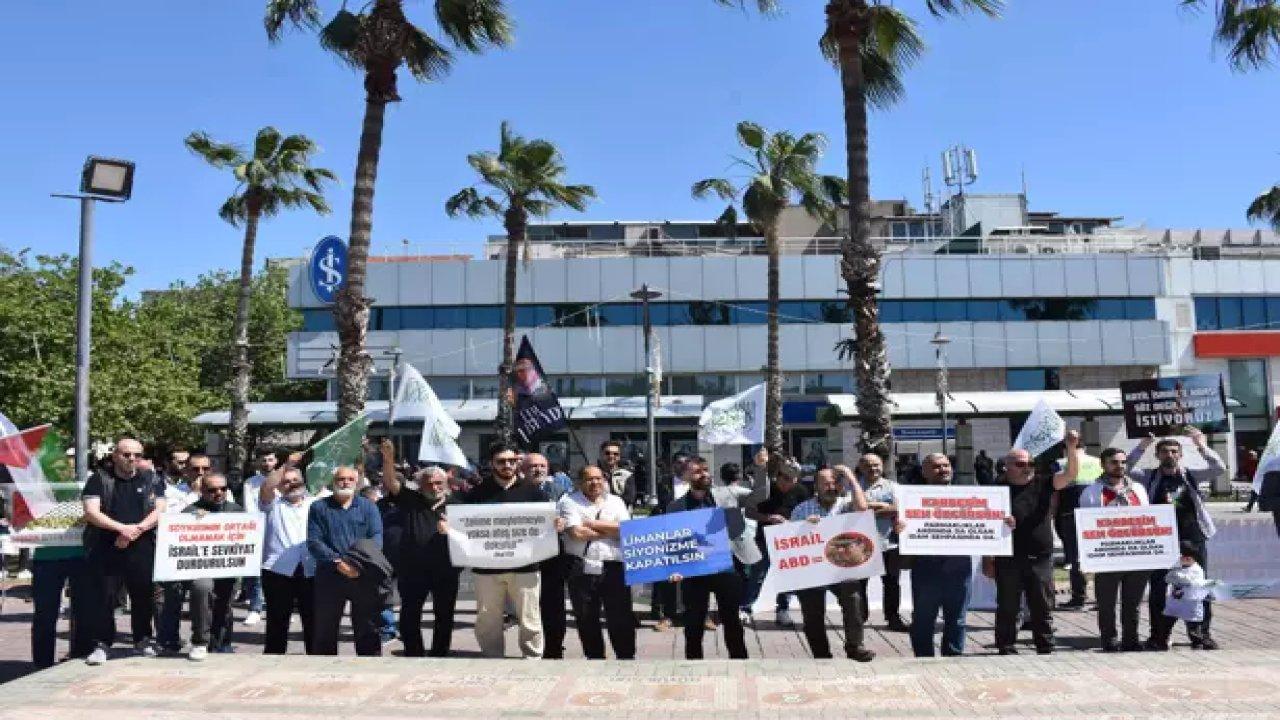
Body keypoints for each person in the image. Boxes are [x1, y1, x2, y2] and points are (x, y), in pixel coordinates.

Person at [452, 442, 562, 658]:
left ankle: (532, 659)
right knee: (487, 619)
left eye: (512, 461)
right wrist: (449, 526)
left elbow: (547, 525)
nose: (507, 465)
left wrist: (556, 524)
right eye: (501, 461)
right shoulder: (476, 494)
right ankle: (492, 658)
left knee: (530, 617)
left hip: (526, 568)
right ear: (491, 463)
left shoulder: (534, 494)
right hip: (487, 569)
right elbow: (462, 525)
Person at [1126, 429, 1223, 650]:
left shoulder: (1191, 475)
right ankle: (1159, 636)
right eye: (1164, 451)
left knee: (1197, 586)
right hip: (1161, 540)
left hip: (1192, 537)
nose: (1169, 455)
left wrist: (1201, 445)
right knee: (1159, 588)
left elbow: (1219, 468)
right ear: (1158, 455)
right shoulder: (1149, 476)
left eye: (1173, 451)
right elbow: (1127, 468)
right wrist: (1142, 446)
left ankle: (1200, 634)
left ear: (1180, 455)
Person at [665, 453, 768, 660]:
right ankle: (694, 666)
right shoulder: (675, 506)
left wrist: (761, 468)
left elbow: (760, 496)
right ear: (686, 477)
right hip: (695, 571)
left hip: (727, 566)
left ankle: (740, 664)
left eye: (705, 470)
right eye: (697, 471)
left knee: (732, 621)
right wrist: (674, 567)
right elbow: (673, 541)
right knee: (693, 624)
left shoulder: (729, 493)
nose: (704, 474)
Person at [988, 431, 1079, 655]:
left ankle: (1045, 645)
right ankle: (1006, 645)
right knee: (1008, 605)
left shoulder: (1044, 482)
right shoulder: (996, 488)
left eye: (1030, 463)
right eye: (1020, 464)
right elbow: (985, 522)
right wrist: (998, 527)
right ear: (1007, 467)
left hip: (1040, 556)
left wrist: (1071, 447)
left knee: (1042, 604)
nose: (1027, 467)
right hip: (1008, 556)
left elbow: (1070, 474)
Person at [81, 438, 168, 665]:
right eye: (126, 454)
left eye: (137, 455)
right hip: (106, 547)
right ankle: (102, 644)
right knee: (105, 597)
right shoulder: (99, 479)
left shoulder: (151, 478)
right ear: (115, 456)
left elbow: (160, 510)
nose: (132, 459)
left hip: (142, 546)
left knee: (143, 596)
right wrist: (122, 529)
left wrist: (136, 530)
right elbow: (91, 512)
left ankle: (143, 640)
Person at [379, 441, 459, 657]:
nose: (434, 487)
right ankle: (413, 652)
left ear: (446, 483)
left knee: (444, 614)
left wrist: (451, 531)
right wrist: (388, 459)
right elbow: (391, 482)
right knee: (409, 615)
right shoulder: (411, 500)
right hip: (413, 570)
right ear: (420, 485)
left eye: (439, 483)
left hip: (446, 569)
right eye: (429, 484)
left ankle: (440, 653)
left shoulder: (458, 504)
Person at [789, 466, 875, 661]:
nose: (832, 487)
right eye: (826, 484)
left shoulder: (847, 504)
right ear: (816, 487)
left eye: (836, 483)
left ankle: (855, 646)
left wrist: (851, 478)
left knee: (854, 600)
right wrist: (803, 528)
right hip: (812, 568)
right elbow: (789, 541)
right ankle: (822, 655)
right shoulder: (802, 509)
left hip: (841, 566)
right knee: (812, 613)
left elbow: (863, 509)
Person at [162, 473, 242, 661]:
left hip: (228, 567)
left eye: (223, 489)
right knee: (202, 588)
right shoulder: (191, 512)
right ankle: (200, 641)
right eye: (213, 490)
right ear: (202, 491)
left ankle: (222, 642)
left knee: (225, 602)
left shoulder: (237, 511)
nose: (219, 493)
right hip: (200, 568)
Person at [306, 465, 385, 656]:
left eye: (350, 479)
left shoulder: (368, 507)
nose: (345, 483)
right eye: (341, 479)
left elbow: (376, 537)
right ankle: (325, 669)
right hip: (330, 575)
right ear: (333, 482)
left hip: (363, 574)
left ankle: (370, 667)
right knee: (325, 629)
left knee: (368, 628)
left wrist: (358, 564)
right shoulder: (319, 507)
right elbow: (314, 541)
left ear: (357, 482)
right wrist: (337, 562)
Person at [899, 453, 972, 658]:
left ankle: (953, 658)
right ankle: (924, 660)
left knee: (957, 619)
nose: (943, 470)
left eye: (946, 465)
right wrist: (901, 527)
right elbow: (903, 526)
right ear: (924, 472)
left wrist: (1003, 522)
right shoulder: (912, 498)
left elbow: (988, 521)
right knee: (923, 619)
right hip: (926, 566)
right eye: (937, 466)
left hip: (958, 567)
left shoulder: (968, 496)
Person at [1078, 447, 1150, 652]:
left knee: (1133, 602)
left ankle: (1131, 639)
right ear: (1103, 465)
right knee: (1107, 603)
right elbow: (1086, 526)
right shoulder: (1092, 491)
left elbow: (1147, 519)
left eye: (1123, 462)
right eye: (1114, 462)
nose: (1120, 466)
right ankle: (1109, 640)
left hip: (1136, 554)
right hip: (1107, 556)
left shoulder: (1138, 489)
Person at [559, 465, 635, 659]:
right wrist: (611, 530)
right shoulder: (569, 502)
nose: (595, 483)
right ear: (580, 482)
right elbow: (577, 533)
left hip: (614, 566)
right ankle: (595, 659)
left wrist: (593, 524)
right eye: (589, 479)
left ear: (604, 480)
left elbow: (627, 530)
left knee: (621, 616)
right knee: (586, 617)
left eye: (598, 478)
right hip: (582, 566)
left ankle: (626, 658)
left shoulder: (616, 501)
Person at [257, 457, 317, 655]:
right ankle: (274, 662)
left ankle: (316, 662)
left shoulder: (316, 503)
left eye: (295, 480)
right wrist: (286, 465)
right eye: (286, 481)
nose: (291, 484)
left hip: (311, 568)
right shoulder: (272, 504)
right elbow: (267, 487)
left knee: (314, 621)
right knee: (277, 622)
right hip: (277, 569)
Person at [744, 452, 807, 626]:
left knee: (788, 575)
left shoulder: (801, 491)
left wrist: (790, 522)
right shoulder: (765, 489)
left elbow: (807, 513)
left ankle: (783, 609)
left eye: (793, 480)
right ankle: (746, 608)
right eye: (785, 479)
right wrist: (768, 518)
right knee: (758, 574)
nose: (788, 483)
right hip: (764, 538)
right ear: (778, 477)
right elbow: (749, 512)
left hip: (789, 540)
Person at [523, 452, 570, 659]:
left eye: (542, 466)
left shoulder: (561, 491)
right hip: (524, 556)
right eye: (533, 466)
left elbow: (572, 514)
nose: (538, 470)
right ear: (523, 470)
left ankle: (554, 647)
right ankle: (533, 648)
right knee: (529, 606)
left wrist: (563, 522)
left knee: (554, 603)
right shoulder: (516, 491)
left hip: (553, 556)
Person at [856, 453, 908, 632]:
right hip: (861, 544)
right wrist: (884, 506)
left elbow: (900, 508)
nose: (873, 468)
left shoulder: (893, 487)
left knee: (892, 583)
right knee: (860, 584)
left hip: (889, 543)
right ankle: (860, 618)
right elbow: (852, 507)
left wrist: (868, 509)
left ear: (882, 466)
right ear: (861, 467)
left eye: (876, 465)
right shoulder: (853, 486)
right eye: (868, 465)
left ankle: (893, 618)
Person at [651, 452, 691, 632]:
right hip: (669, 533)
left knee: (696, 577)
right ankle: (667, 615)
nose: (682, 466)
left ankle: (698, 614)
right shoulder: (664, 483)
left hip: (693, 534)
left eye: (685, 463)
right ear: (673, 465)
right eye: (678, 463)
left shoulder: (697, 482)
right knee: (669, 576)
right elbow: (661, 505)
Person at [237, 449, 278, 628]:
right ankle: (255, 608)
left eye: (270, 459)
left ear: (276, 461)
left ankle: (275, 609)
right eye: (263, 460)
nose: (267, 463)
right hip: (258, 530)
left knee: (276, 572)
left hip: (278, 532)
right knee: (255, 571)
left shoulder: (282, 480)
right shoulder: (250, 483)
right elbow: (249, 508)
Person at [599, 440, 636, 507]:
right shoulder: (593, 474)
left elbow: (629, 499)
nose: (611, 456)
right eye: (607, 453)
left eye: (615, 454)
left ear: (619, 456)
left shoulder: (626, 475)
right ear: (601, 454)